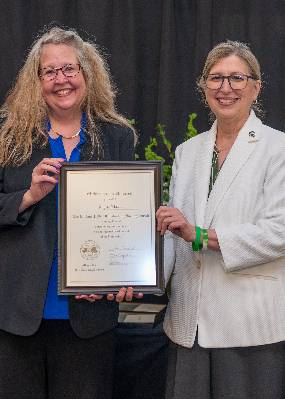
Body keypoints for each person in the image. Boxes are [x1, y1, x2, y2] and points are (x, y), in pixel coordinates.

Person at [0, 26, 140, 399]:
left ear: (86, 74)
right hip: (17, 316)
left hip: (88, 319)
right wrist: (28, 195)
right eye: (49, 71)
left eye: (69, 69)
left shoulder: (116, 137)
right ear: (37, 80)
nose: (61, 80)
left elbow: (127, 222)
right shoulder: (9, 137)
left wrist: (116, 278)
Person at [156, 40, 285, 399]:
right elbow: (172, 229)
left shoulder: (279, 149)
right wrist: (141, 280)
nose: (225, 88)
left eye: (236, 78)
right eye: (215, 78)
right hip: (188, 323)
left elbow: (279, 232)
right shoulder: (187, 152)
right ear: (203, 87)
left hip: (249, 325)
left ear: (256, 87)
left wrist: (199, 234)